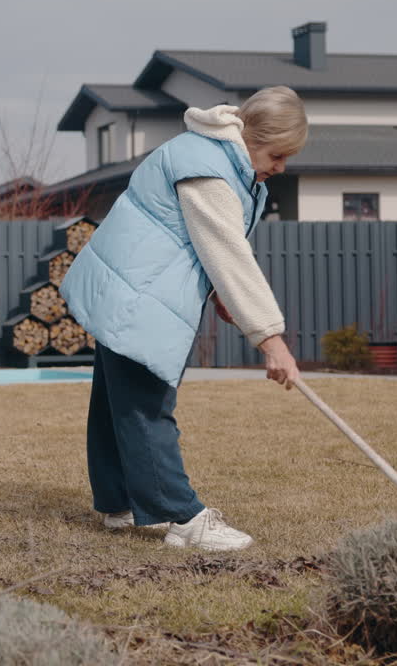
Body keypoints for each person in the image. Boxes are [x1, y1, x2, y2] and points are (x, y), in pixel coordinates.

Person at [60, 86, 307, 551]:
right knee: (147, 405)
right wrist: (271, 341)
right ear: (251, 138)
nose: (280, 168)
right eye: (277, 155)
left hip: (128, 287)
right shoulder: (208, 170)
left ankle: (117, 503)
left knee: (117, 402)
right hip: (141, 296)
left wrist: (217, 294)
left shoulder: (209, 155)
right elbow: (228, 254)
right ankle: (184, 519)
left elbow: (189, 241)